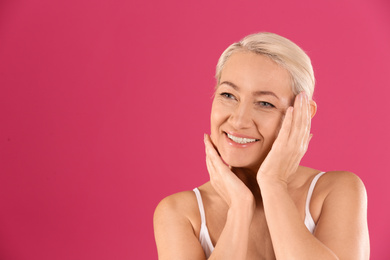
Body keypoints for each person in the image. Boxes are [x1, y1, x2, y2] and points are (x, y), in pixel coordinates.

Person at [153, 32, 370, 260]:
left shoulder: (336, 191)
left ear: (302, 114)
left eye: (265, 103)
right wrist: (239, 208)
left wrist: (273, 183)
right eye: (228, 94)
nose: (239, 120)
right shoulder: (180, 213)